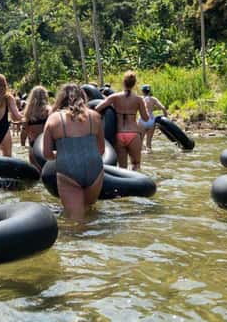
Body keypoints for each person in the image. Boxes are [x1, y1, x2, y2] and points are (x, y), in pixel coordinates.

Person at [42, 83, 106, 219]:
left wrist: (65, 155)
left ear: (60, 99)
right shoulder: (95, 116)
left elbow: (47, 154)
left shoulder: (53, 119)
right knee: (89, 212)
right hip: (94, 167)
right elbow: (101, 150)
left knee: (75, 220)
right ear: (82, 97)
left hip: (68, 169)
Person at [95, 71, 149, 170]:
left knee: (122, 168)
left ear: (123, 82)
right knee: (136, 164)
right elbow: (146, 118)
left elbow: (97, 108)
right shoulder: (138, 99)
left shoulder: (114, 97)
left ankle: (124, 185)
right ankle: (135, 185)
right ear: (134, 84)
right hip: (133, 133)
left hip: (119, 134)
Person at [22, 86, 52, 168]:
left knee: (36, 173)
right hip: (47, 146)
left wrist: (22, 144)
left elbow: (23, 132)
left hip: (33, 146)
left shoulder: (28, 112)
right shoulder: (49, 110)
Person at [138, 84, 168, 152]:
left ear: (142, 91)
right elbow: (163, 108)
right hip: (151, 121)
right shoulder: (153, 99)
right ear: (149, 91)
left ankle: (144, 159)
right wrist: (166, 117)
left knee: (140, 142)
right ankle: (149, 153)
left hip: (142, 120)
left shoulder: (140, 99)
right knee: (149, 144)